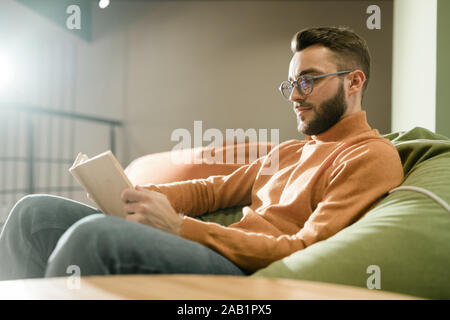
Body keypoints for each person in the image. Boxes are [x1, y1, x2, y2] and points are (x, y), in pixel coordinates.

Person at [0, 26, 403, 280]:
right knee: (33, 212)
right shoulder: (293, 151)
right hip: (208, 246)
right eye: (292, 83)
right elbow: (213, 191)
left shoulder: (370, 157)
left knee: (94, 237)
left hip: (242, 267)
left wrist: (178, 228)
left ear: (354, 81)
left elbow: (303, 249)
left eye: (309, 81)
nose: (295, 95)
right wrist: (129, 191)